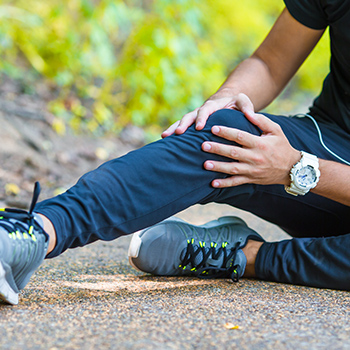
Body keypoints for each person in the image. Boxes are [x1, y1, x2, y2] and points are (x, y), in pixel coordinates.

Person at [1, 0, 350, 305]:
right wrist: (225, 99)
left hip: (322, 175)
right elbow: (271, 61)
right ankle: (33, 234)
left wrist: (297, 167)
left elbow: (296, 165)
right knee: (228, 134)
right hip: (334, 142)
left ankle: (244, 256)